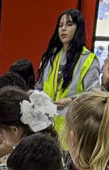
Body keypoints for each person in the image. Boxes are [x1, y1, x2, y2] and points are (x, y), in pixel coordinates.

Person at [37, 9, 101, 138]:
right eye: (60, 25)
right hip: (45, 128)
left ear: (78, 28)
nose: (63, 29)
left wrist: (71, 100)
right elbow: (39, 88)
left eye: (69, 24)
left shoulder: (88, 59)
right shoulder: (50, 57)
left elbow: (94, 96)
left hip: (73, 130)